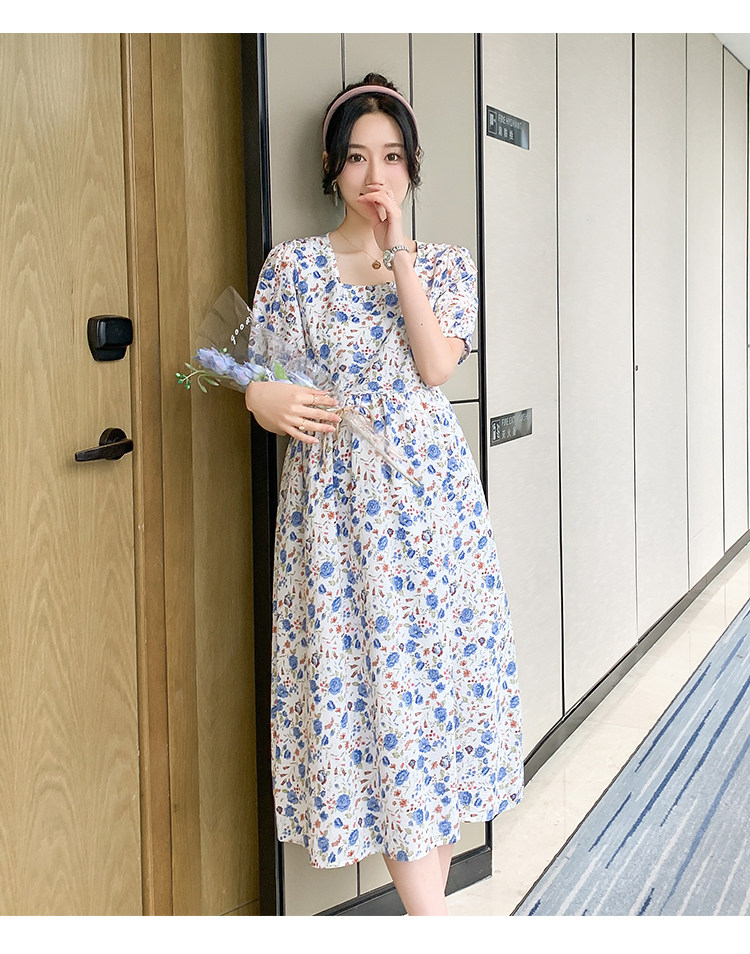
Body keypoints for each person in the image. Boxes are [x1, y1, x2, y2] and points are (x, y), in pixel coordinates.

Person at [245, 73, 523, 916]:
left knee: (429, 708)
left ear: (412, 167)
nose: (376, 175)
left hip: (431, 515)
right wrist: (259, 396)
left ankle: (427, 919)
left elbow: (435, 366)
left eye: (393, 157)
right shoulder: (293, 267)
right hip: (335, 522)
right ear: (332, 167)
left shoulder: (444, 265)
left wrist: (398, 250)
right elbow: (264, 373)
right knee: (374, 704)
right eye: (358, 157)